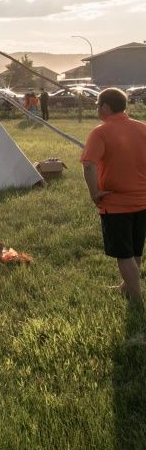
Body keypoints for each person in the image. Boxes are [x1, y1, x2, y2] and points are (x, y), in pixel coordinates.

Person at [81, 87, 146, 301]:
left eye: (97, 105)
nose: (97, 109)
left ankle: (136, 298)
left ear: (106, 106)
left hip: (116, 204)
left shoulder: (100, 132)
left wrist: (94, 193)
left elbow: (89, 166)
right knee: (135, 250)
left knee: (124, 254)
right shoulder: (143, 128)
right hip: (143, 202)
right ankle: (127, 286)